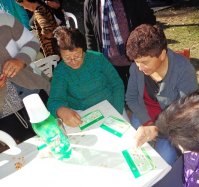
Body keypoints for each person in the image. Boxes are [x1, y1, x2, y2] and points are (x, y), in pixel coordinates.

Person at [125, 24, 198, 165]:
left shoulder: (183, 70)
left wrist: (157, 129)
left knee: (163, 161)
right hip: (144, 113)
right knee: (131, 147)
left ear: (162, 54)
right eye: (136, 62)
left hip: (172, 123)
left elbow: (185, 113)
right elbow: (132, 98)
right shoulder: (136, 67)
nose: (139, 67)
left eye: (144, 62)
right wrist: (147, 122)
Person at [47, 26, 124, 127]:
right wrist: (61, 111)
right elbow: (54, 101)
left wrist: (116, 112)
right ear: (60, 55)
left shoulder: (97, 59)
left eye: (77, 56)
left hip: (111, 105)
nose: (73, 62)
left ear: (84, 50)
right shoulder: (61, 72)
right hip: (82, 114)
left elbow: (117, 84)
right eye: (67, 58)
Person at [0, 11, 50, 144]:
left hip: (34, 89)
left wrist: (20, 60)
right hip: (6, 111)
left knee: (55, 131)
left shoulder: (3, 18)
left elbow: (31, 41)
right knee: (29, 149)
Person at [83, 0, 156, 91]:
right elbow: (90, 34)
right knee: (120, 94)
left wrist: (144, 48)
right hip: (110, 63)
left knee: (142, 93)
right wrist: (94, 60)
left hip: (137, 61)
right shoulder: (91, 3)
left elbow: (149, 21)